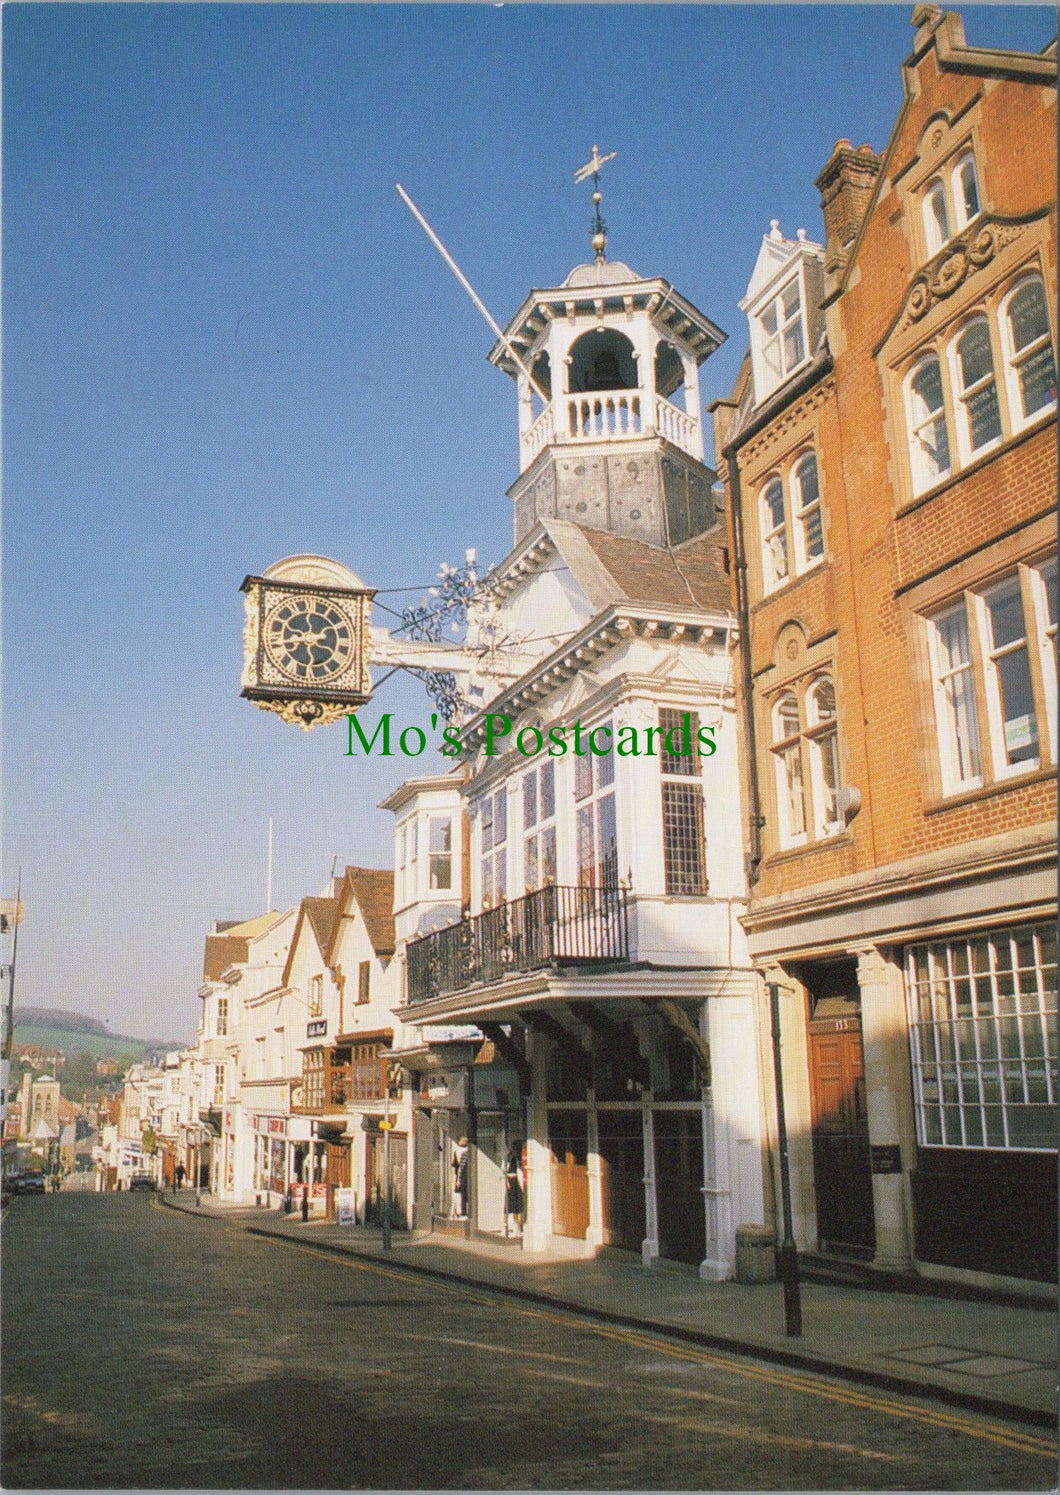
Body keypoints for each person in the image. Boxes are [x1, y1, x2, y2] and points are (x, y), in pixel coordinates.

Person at [504, 1142, 524, 1238]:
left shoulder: (519, 1157)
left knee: (518, 1205)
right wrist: (507, 1182)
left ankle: (518, 1227)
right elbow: (504, 1170)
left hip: (518, 1181)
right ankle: (510, 1227)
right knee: (511, 1205)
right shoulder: (509, 1157)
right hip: (512, 1181)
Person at [451, 1137, 469, 1219]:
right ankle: (458, 1211)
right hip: (461, 1175)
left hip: (461, 1175)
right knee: (459, 1194)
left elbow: (456, 1166)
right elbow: (456, 1165)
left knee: (460, 1194)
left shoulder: (462, 1152)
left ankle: (460, 1212)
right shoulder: (460, 1152)